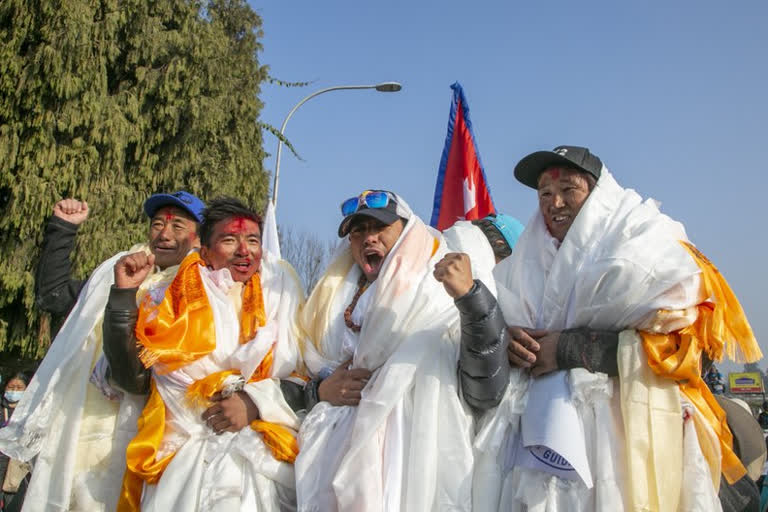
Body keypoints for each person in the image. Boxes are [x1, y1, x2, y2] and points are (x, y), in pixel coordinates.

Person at [461, 146, 762, 511]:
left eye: (568, 190)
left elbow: (690, 352)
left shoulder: (645, 242)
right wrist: (513, 345)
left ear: (597, 195)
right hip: (541, 451)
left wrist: (570, 350)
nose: (554, 203)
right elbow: (507, 326)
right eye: (544, 193)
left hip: (625, 446)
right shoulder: (522, 265)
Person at [0, 191, 205, 512]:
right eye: (157, 224)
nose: (164, 234)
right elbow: (52, 297)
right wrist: (63, 229)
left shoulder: (202, 292)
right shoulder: (115, 272)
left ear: (198, 237)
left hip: (147, 436)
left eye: (178, 226)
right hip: (78, 428)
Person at [105, 197, 305, 510]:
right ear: (205, 251)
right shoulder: (167, 296)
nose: (244, 250)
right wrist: (123, 296)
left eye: (252, 240)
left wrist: (254, 402)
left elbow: (305, 381)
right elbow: (131, 378)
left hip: (261, 465)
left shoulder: (283, 298)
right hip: (181, 460)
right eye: (229, 240)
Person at [295, 190, 475, 511]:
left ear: (406, 233)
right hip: (334, 450)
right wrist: (321, 390)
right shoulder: (330, 301)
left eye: (380, 228)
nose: (369, 238)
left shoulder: (436, 289)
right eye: (358, 231)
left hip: (411, 441)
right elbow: (305, 369)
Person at [0, 373, 30, 512]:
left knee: (14, 506)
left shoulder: (32, 412)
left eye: (19, 388)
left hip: (17, 468)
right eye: (11, 387)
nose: (14, 391)